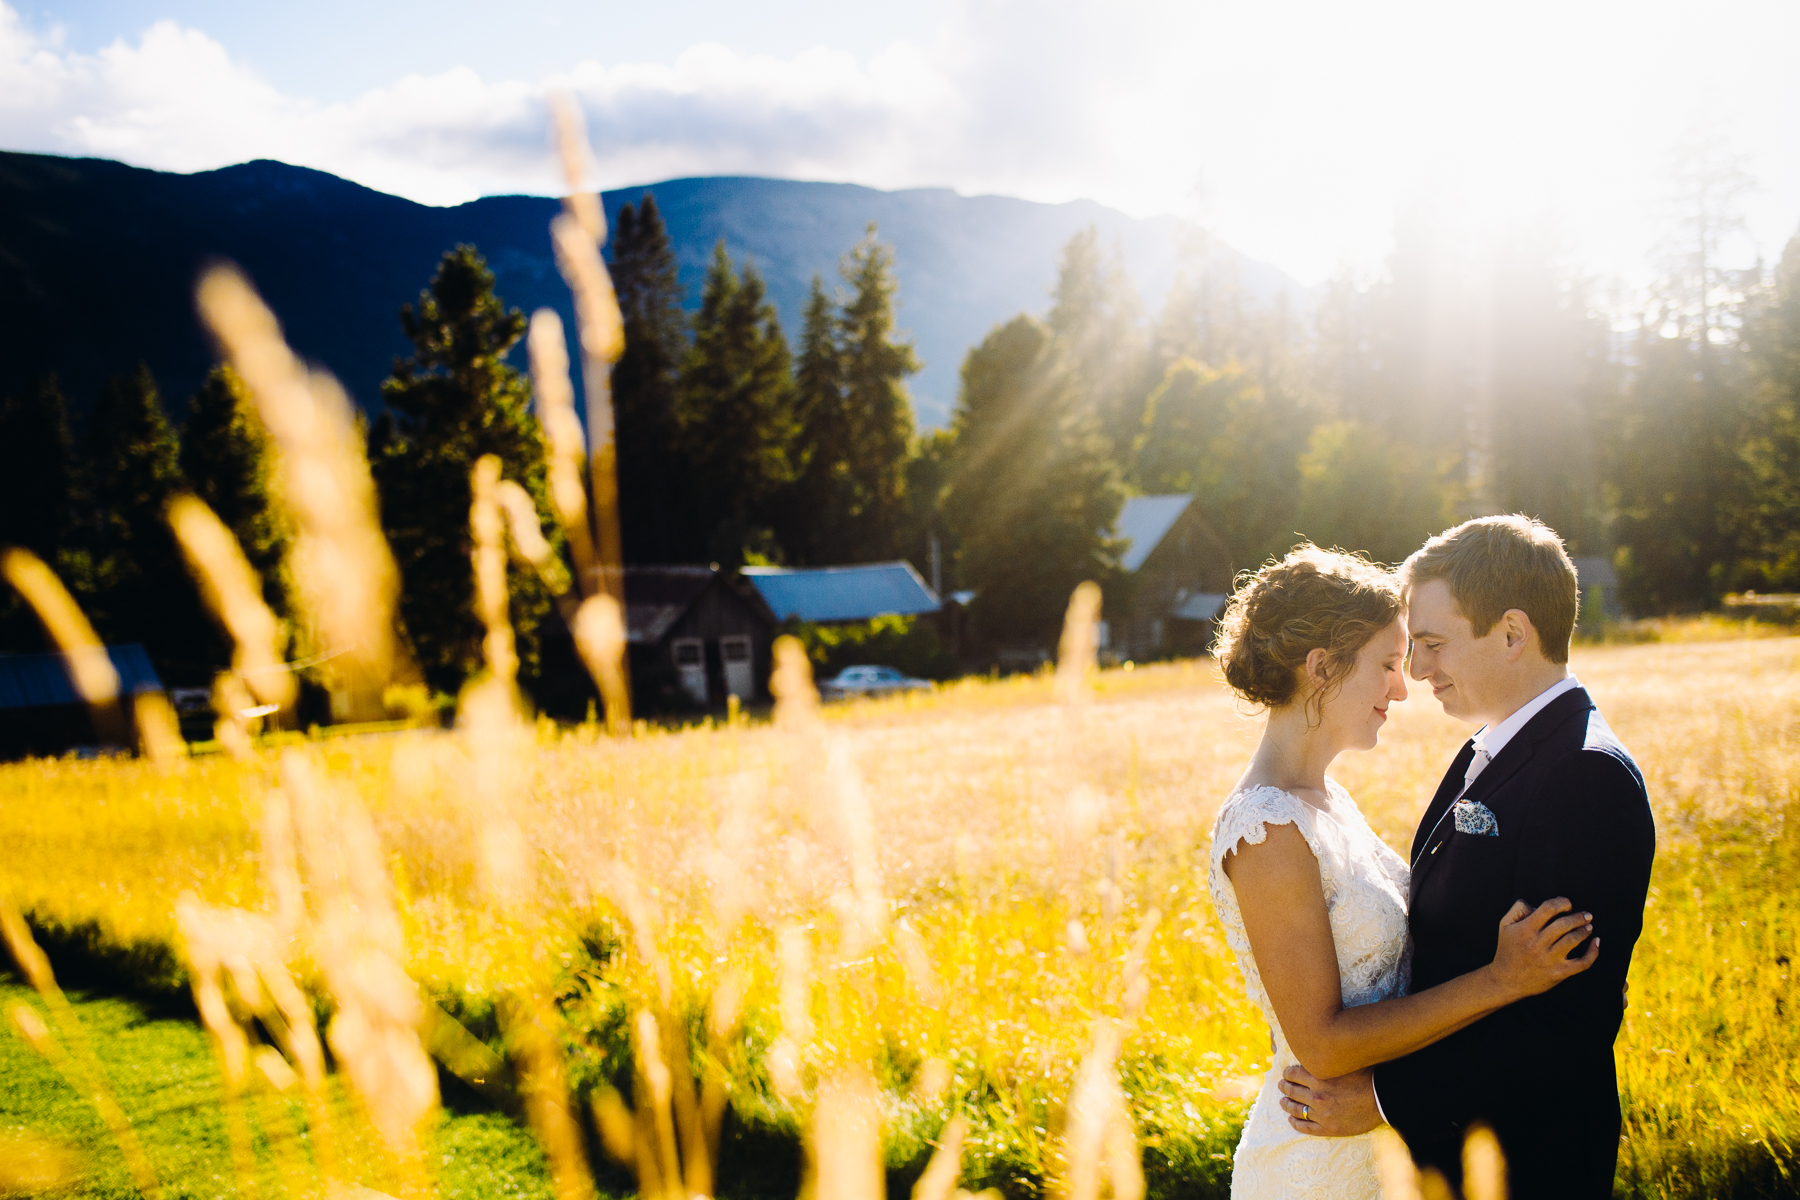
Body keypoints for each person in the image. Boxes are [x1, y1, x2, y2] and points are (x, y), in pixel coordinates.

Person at [1276, 517, 1656, 1198]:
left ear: (1513, 633)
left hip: (1527, 1163)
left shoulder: (1584, 774)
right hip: (1447, 1159)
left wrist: (1386, 1099)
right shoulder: (1491, 748)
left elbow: (1569, 1024)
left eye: (1432, 644)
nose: (1417, 671)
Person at [1207, 543, 1599, 1199]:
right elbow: (1325, 1047)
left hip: (1387, 1149)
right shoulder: (1266, 830)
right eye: (1388, 663)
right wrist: (1500, 981)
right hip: (1320, 1163)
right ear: (1322, 669)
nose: (1403, 684)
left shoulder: (1325, 801)